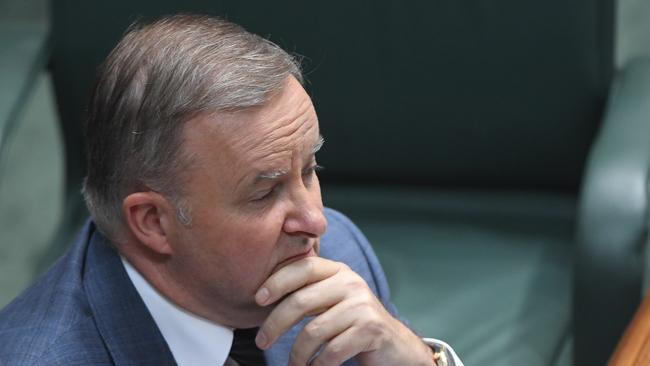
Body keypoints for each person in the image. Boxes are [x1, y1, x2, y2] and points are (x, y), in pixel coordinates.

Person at [0, 15, 463, 366]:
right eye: (265, 193)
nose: (315, 220)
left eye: (309, 169)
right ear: (154, 222)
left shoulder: (336, 260)